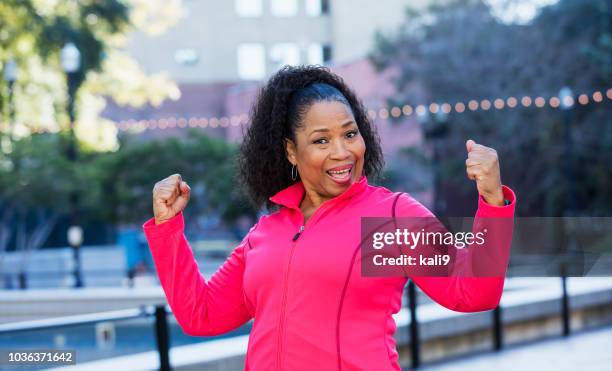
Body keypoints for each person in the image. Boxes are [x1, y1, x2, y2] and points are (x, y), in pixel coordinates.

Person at [143, 65, 516, 370]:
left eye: (350, 134)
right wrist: (167, 228)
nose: (342, 152)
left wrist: (492, 200)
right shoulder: (268, 231)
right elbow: (201, 314)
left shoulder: (391, 218)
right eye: (321, 140)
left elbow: (475, 292)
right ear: (291, 151)